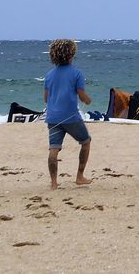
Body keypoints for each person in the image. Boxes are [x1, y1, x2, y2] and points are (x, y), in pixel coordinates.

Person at [43, 38, 93, 189]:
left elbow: (46, 98)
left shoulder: (49, 75)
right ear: (71, 55)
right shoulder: (76, 73)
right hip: (71, 117)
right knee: (85, 142)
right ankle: (79, 176)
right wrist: (88, 100)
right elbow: (81, 95)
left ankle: (53, 183)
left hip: (52, 118)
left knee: (53, 150)